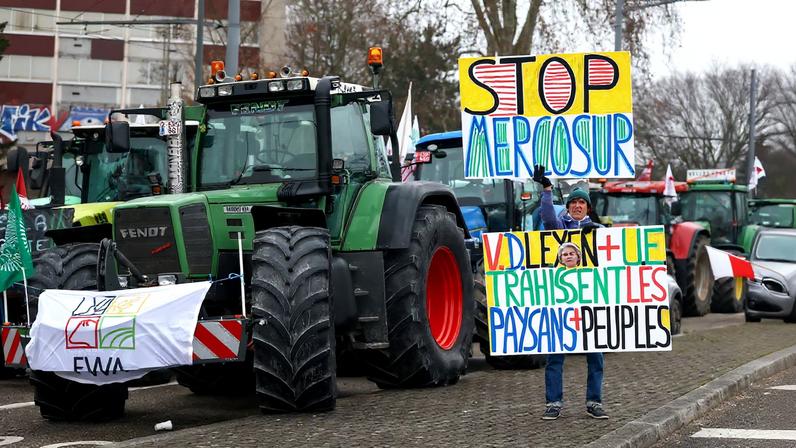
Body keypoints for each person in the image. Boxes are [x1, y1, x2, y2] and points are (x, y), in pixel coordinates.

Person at [532, 164, 609, 421]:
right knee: (555, 356)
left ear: (588, 208)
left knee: (595, 357)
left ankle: (594, 402)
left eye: (582, 203)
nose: (577, 206)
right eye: (573, 202)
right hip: (560, 304)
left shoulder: (599, 231)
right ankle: (554, 402)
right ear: (567, 206)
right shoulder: (557, 226)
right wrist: (546, 190)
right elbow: (546, 217)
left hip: (590, 304)